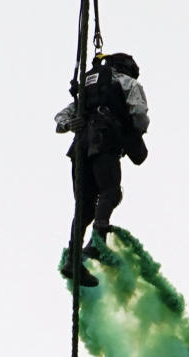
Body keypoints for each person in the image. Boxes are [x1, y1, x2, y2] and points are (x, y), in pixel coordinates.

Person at [55, 53, 149, 287]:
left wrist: (70, 124)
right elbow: (139, 115)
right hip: (103, 141)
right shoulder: (127, 82)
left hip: (79, 149)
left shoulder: (89, 87)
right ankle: (98, 241)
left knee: (85, 208)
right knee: (111, 192)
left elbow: (60, 119)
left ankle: (73, 259)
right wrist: (132, 135)